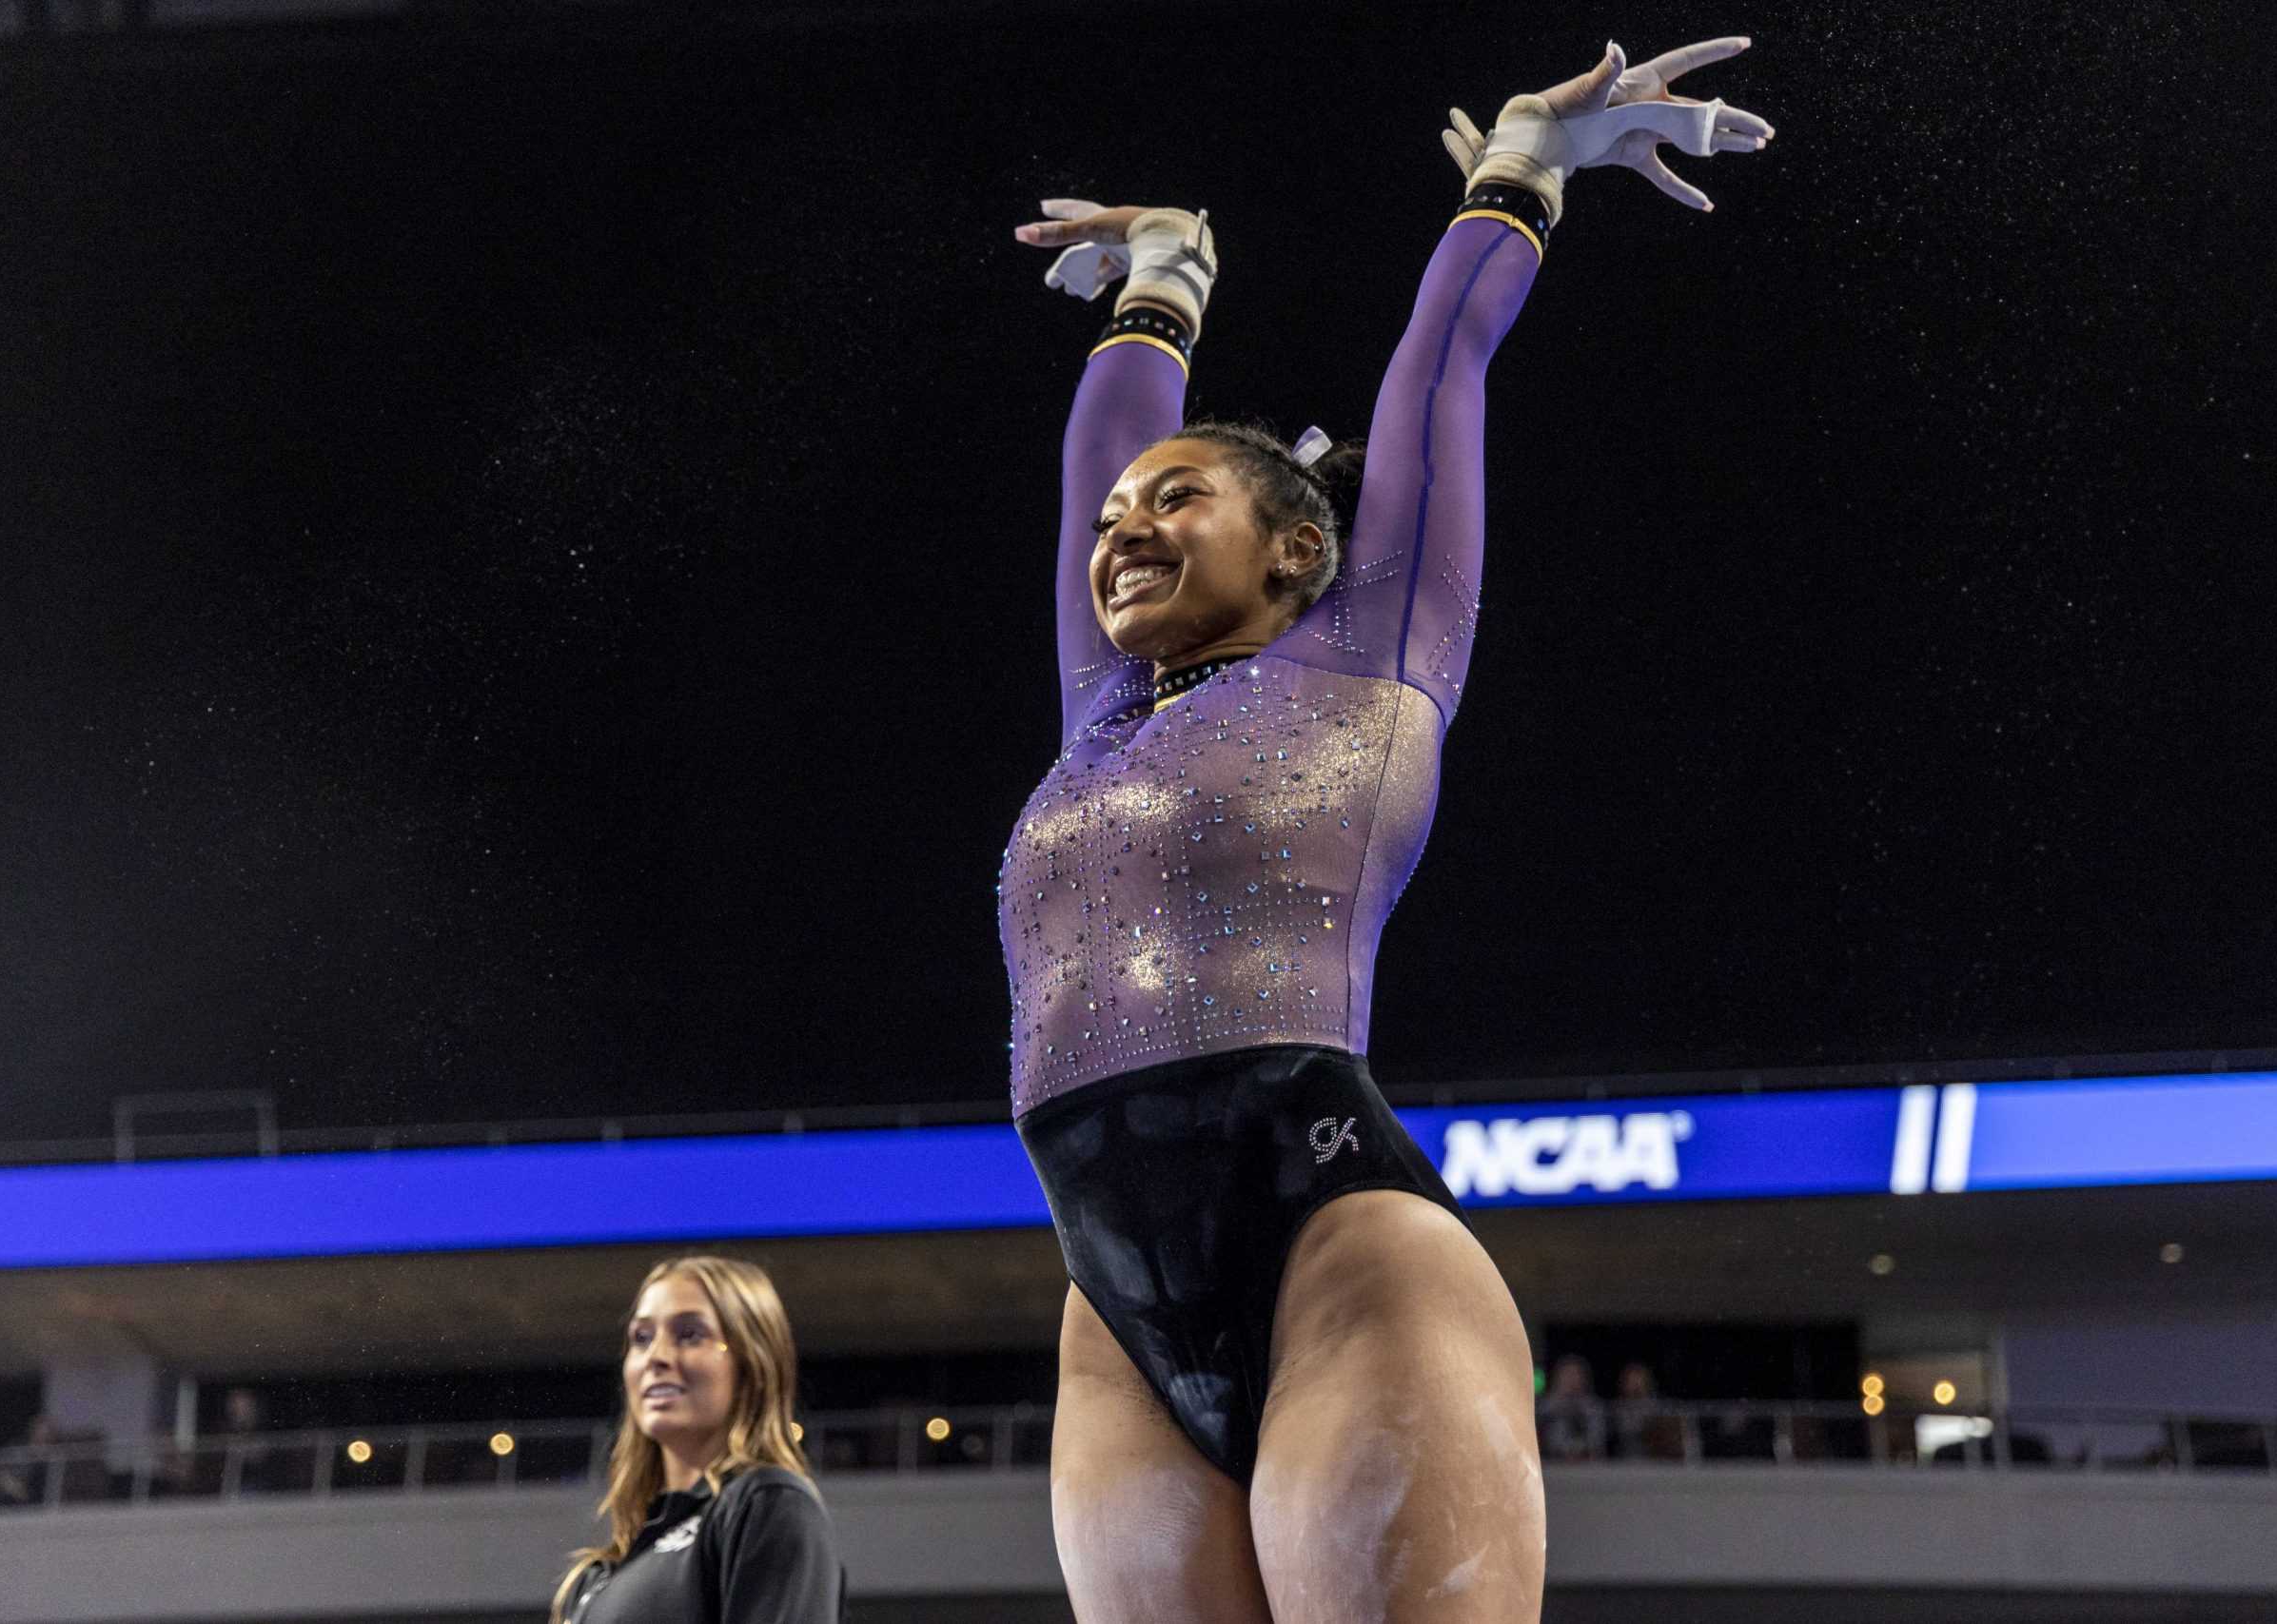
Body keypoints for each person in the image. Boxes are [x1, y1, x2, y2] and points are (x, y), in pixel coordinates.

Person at [1002, 35, 1772, 1623]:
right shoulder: (1104, 712)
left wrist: (1520, 177)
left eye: (1177, 504)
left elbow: (1437, 376)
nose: (1125, 530)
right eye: (1111, 526)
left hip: (1337, 1239)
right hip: (1111, 1297)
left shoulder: (1372, 652)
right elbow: (1098, 458)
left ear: (1294, 544)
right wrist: (1164, 269)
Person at [552, 1256, 843, 1624]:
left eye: (690, 1334)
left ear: (753, 1362)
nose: (655, 1357)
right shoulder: (597, 1576)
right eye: (641, 1338)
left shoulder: (766, 1505)